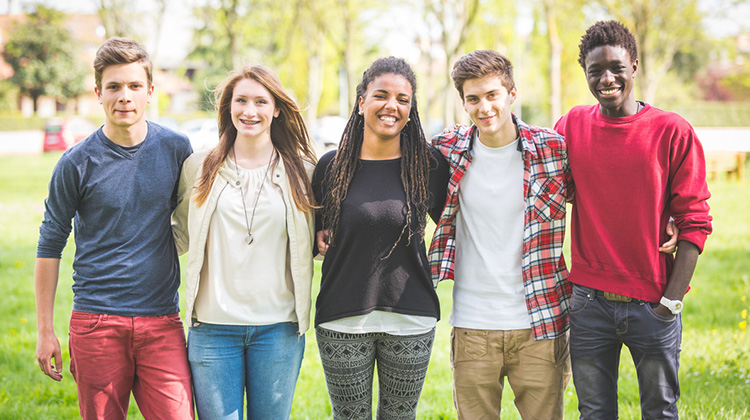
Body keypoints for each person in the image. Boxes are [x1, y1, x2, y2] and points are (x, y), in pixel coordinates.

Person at [554, 21, 713, 420]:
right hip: (588, 303)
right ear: (585, 74)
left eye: (617, 68)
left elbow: (695, 221)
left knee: (660, 412)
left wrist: (670, 303)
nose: (607, 79)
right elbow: (547, 180)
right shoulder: (571, 125)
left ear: (635, 67)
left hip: (653, 302)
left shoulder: (672, 131)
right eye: (596, 71)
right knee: (593, 413)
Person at [34, 38, 194, 419]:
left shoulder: (176, 149)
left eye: (135, 86)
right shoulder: (76, 163)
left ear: (151, 91)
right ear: (98, 93)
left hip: (162, 320)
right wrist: (44, 329)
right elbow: (50, 243)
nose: (125, 96)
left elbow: (196, 219)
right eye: (114, 87)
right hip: (96, 321)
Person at [428, 49, 573, 419]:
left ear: (511, 94)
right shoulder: (447, 150)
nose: (484, 107)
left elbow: (600, 195)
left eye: (492, 95)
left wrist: (664, 218)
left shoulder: (552, 150)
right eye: (473, 99)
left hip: (540, 323)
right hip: (473, 325)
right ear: (463, 103)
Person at [171, 65, 317, 420]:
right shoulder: (198, 167)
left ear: (277, 108)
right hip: (213, 328)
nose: (249, 111)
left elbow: (319, 238)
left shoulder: (304, 171)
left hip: (278, 329)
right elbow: (177, 234)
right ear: (228, 106)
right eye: (241, 101)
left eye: (260, 101)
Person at [312, 56, 449, 419]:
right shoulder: (331, 167)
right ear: (361, 102)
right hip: (342, 319)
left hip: (410, 318)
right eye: (381, 95)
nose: (392, 106)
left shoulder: (428, 165)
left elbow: (458, 226)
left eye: (403, 99)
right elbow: (313, 237)